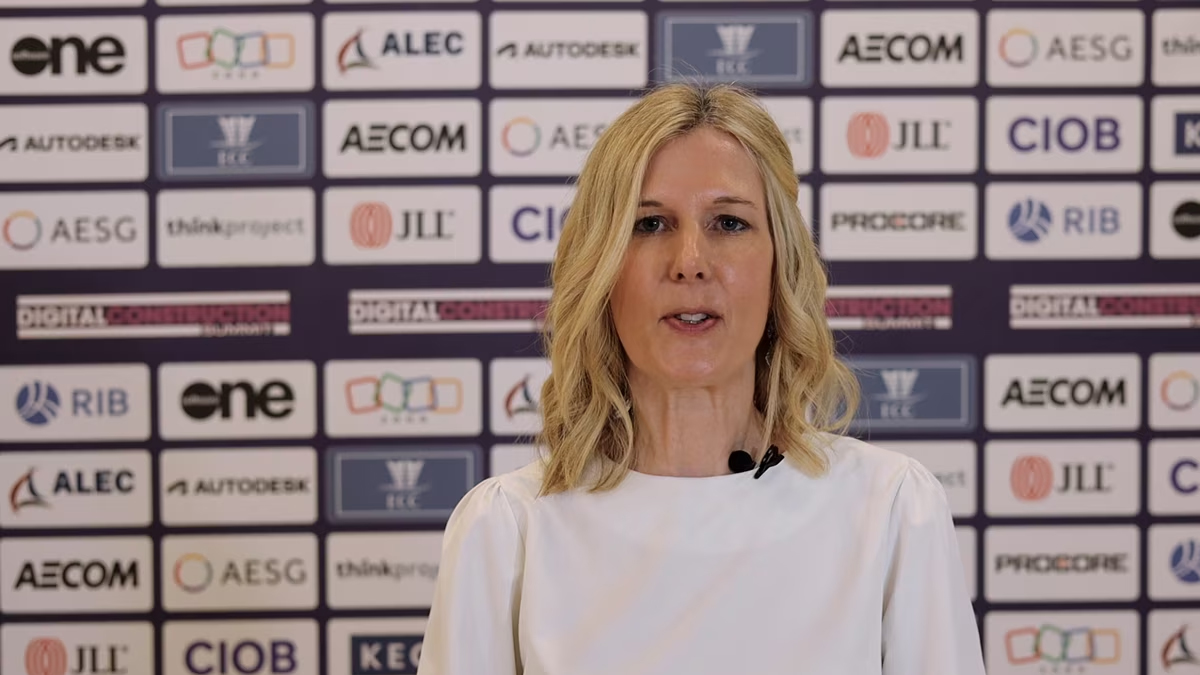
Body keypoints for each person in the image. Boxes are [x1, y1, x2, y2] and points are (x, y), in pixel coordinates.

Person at [416, 82, 985, 674]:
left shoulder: (891, 510)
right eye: (650, 224)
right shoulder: (507, 530)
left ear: (781, 264)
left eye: (729, 223)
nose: (690, 262)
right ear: (601, 268)